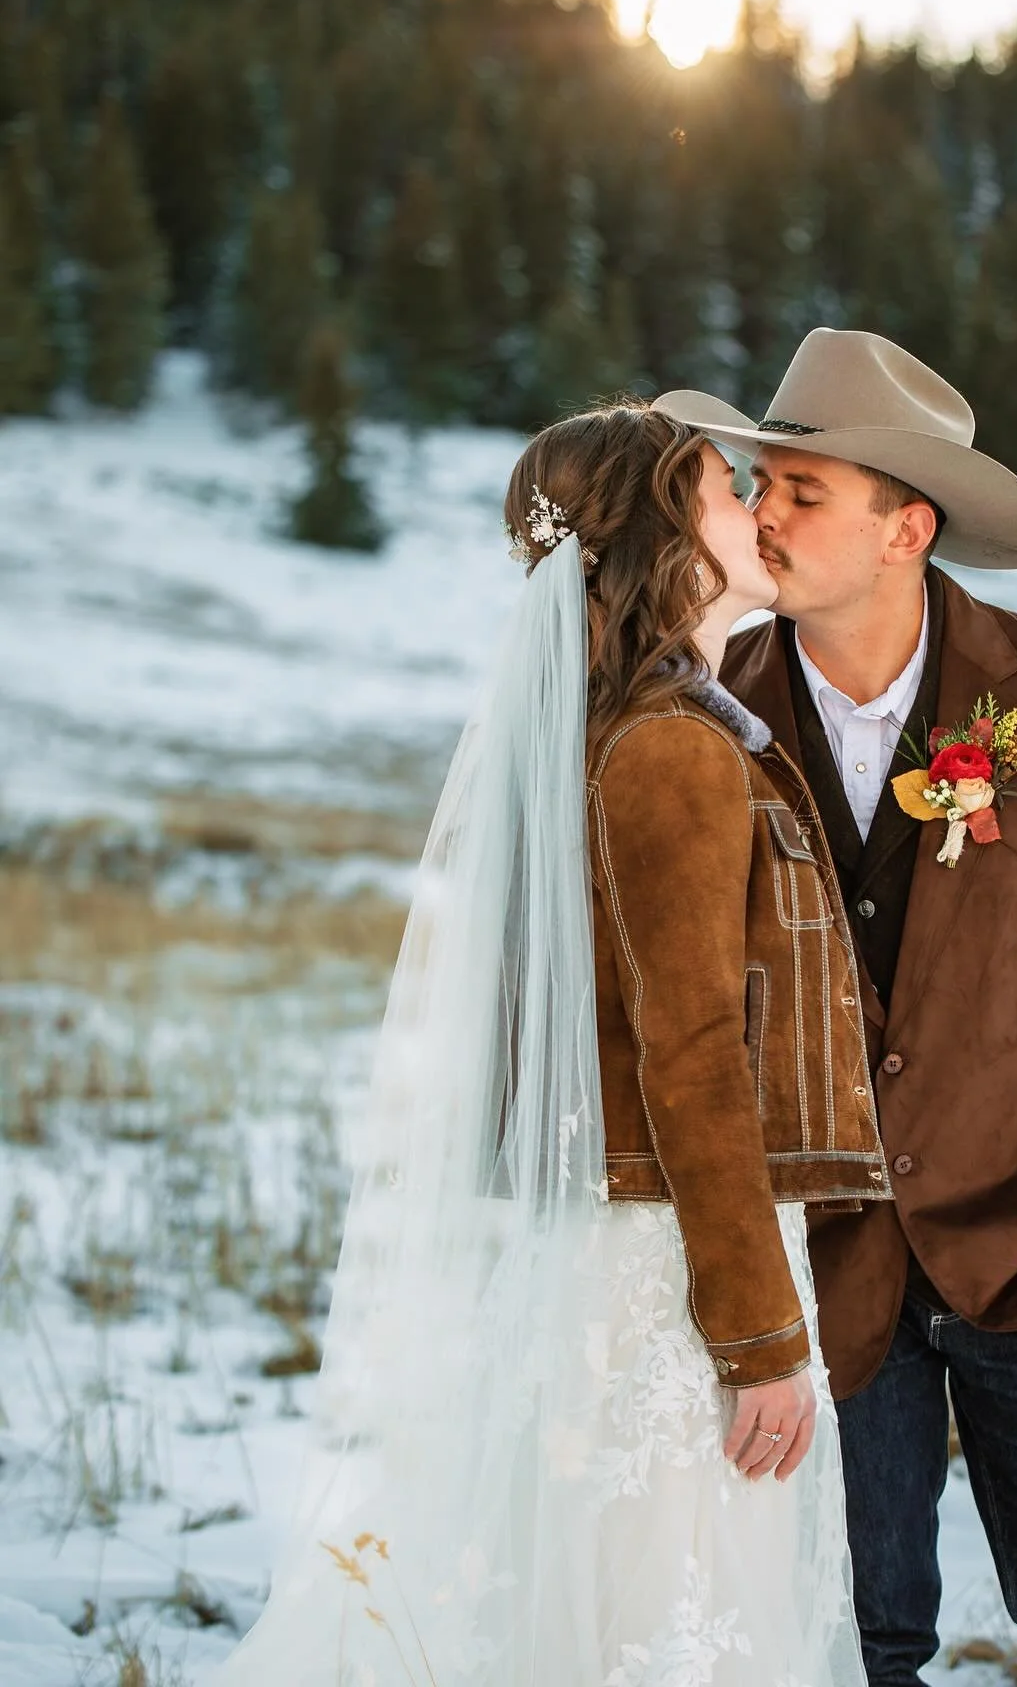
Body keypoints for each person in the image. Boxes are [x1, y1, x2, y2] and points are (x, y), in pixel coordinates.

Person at [208, 403, 888, 1685]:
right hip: (672, 1277)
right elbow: (691, 1058)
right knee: (664, 1605)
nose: (759, 512)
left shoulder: (621, 729)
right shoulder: (672, 750)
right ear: (667, 543)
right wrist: (758, 1342)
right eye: (725, 491)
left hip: (617, 1246)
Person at [658, 329, 1017, 1687]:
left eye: (803, 491)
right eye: (759, 483)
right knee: (854, 1642)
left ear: (907, 526)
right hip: (826, 1267)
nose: (764, 513)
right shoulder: (711, 713)